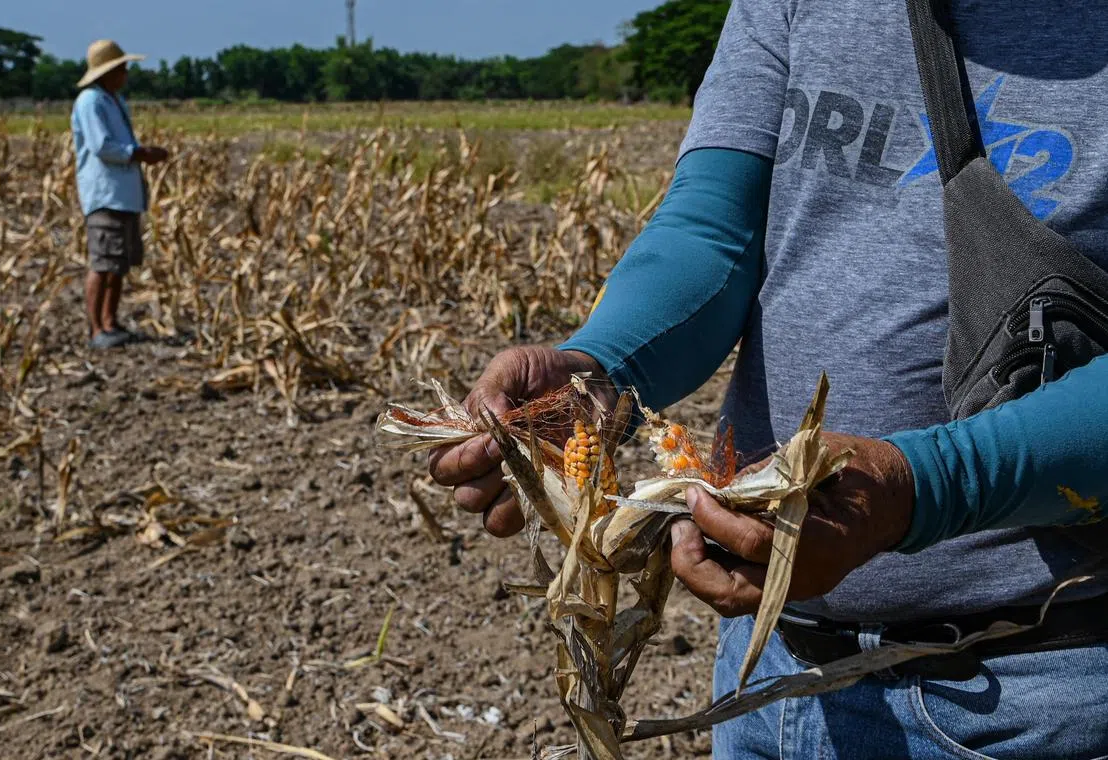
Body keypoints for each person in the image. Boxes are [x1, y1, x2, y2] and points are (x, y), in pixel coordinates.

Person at [428, 0, 1108, 757]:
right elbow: (713, 231)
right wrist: (600, 368)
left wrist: (917, 490)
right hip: (768, 679)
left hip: (1036, 690)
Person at [72, 39, 169, 350]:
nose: (126, 73)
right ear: (108, 71)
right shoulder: (91, 102)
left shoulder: (114, 100)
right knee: (102, 264)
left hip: (124, 195)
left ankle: (111, 323)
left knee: (119, 264)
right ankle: (95, 329)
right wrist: (141, 154)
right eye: (122, 68)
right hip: (105, 194)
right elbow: (102, 147)